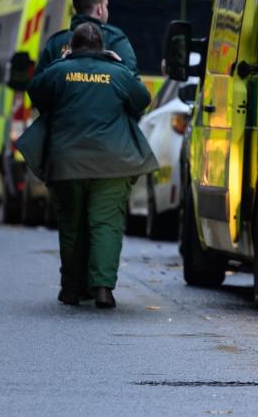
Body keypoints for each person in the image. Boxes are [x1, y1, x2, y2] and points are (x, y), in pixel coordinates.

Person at [18, 22, 158, 309]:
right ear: (103, 48)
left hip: (67, 162)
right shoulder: (119, 74)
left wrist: (63, 64)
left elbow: (37, 96)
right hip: (113, 163)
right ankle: (103, 288)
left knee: (71, 225)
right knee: (105, 224)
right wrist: (121, 68)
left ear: (72, 47)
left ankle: (71, 289)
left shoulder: (58, 71)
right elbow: (141, 100)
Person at [35, 0, 137, 76]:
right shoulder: (114, 38)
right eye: (106, 6)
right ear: (99, 9)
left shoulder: (56, 41)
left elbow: (37, 86)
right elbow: (131, 82)